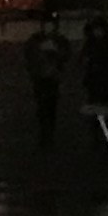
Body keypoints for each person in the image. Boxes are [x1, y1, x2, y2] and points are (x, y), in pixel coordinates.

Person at [22, 15, 71, 148]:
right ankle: (44, 133)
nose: (48, 28)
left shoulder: (59, 40)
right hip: (40, 78)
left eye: (51, 25)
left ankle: (49, 133)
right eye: (46, 25)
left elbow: (66, 55)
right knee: (42, 107)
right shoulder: (35, 40)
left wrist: (55, 51)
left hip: (53, 78)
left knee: (51, 106)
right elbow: (28, 55)